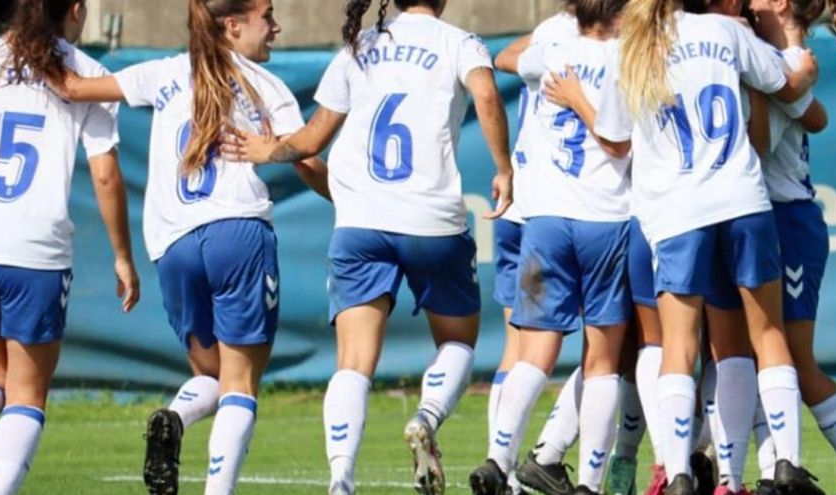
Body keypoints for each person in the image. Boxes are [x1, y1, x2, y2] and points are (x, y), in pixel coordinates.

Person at [219, 1, 513, 494]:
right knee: (459, 341)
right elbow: (485, 93)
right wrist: (503, 168)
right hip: (430, 220)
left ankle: (341, 478)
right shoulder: (459, 42)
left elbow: (312, 138)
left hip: (360, 223)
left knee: (353, 364)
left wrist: (267, 149)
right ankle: (426, 416)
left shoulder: (359, 48)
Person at [54, 0, 328, 493]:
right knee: (241, 384)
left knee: (212, 376)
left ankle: (176, 417)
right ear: (232, 25)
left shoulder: (164, 72)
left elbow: (71, 86)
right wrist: (348, 201)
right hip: (238, 234)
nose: (276, 27)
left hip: (174, 244)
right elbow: (305, 161)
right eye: (267, 16)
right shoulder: (265, 86)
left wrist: (23, 47)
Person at [594, 0, 825, 492]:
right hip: (741, 198)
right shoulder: (725, 30)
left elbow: (613, 137)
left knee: (678, 346)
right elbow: (787, 84)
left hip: (677, 213)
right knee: (765, 337)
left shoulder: (631, 48)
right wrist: (802, 67)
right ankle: (782, 464)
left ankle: (677, 472)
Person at [469, 0, 633, 491]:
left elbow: (502, 59)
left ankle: (498, 460)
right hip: (605, 216)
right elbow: (618, 140)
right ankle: (588, 481)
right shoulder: (628, 57)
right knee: (603, 359)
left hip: (545, 218)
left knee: (534, 351)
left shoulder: (550, 51)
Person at [0, 0, 140, 492]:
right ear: (76, 9)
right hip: (35, 247)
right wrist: (122, 256)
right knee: (26, 395)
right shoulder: (87, 72)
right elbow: (104, 173)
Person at [745, 0, 836, 493]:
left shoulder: (788, 62)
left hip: (788, 219)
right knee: (757, 356)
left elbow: (813, 118)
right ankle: (777, 470)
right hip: (762, 218)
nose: (749, 4)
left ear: (780, 5)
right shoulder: (770, 57)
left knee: (794, 356)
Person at [491, 4, 581, 494]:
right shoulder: (606, 41)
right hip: (573, 205)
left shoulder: (550, 33)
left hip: (521, 202)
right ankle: (552, 456)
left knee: (517, 350)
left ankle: (499, 464)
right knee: (615, 349)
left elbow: (505, 58)